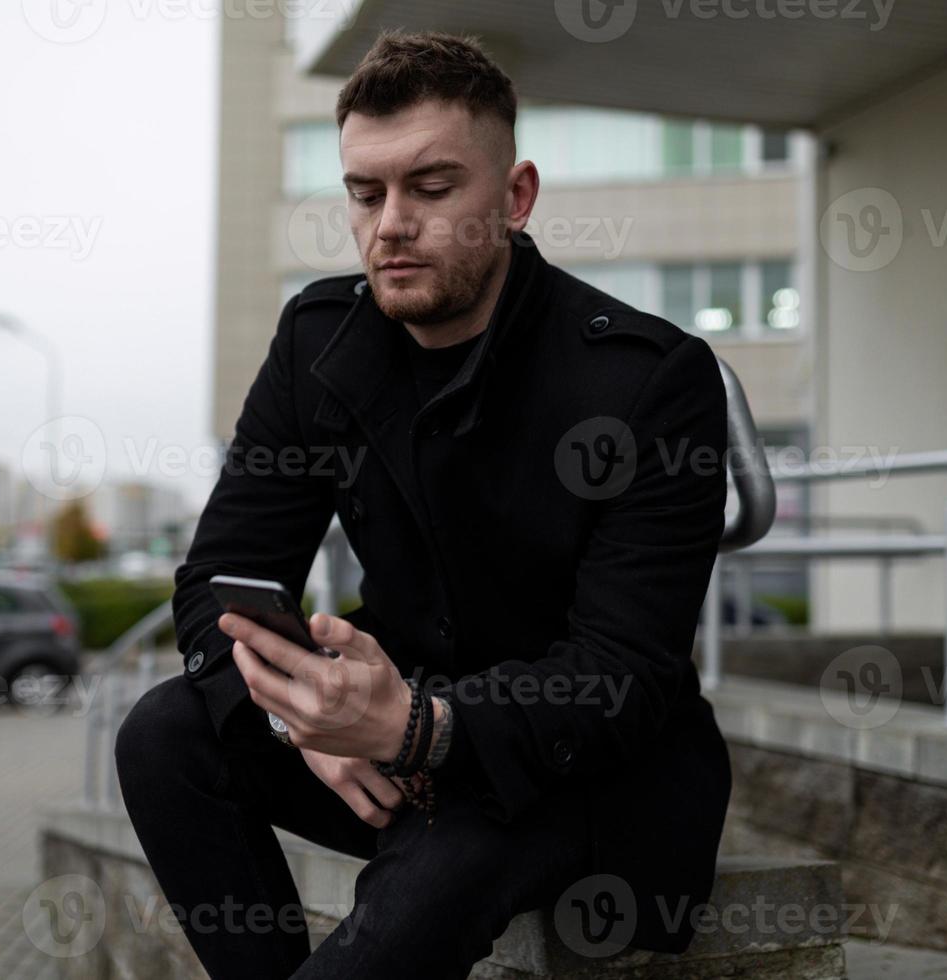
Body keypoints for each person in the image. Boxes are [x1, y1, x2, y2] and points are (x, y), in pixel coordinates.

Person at [116, 30, 732, 979]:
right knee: (164, 735)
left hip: (572, 771)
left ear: (515, 197)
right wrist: (302, 723)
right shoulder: (319, 340)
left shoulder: (647, 379)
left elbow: (628, 676)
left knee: (433, 882)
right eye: (366, 193)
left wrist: (418, 728)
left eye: (432, 189)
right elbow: (215, 580)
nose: (390, 224)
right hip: (385, 742)